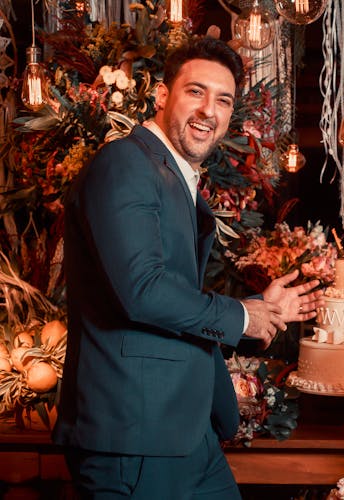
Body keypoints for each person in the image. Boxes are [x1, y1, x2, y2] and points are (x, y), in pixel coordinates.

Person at [53, 36, 324, 499]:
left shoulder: (171, 175)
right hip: (135, 436)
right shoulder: (125, 163)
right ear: (162, 96)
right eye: (195, 91)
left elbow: (172, 299)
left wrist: (259, 312)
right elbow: (142, 290)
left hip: (185, 433)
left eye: (223, 99)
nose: (209, 110)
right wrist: (241, 315)